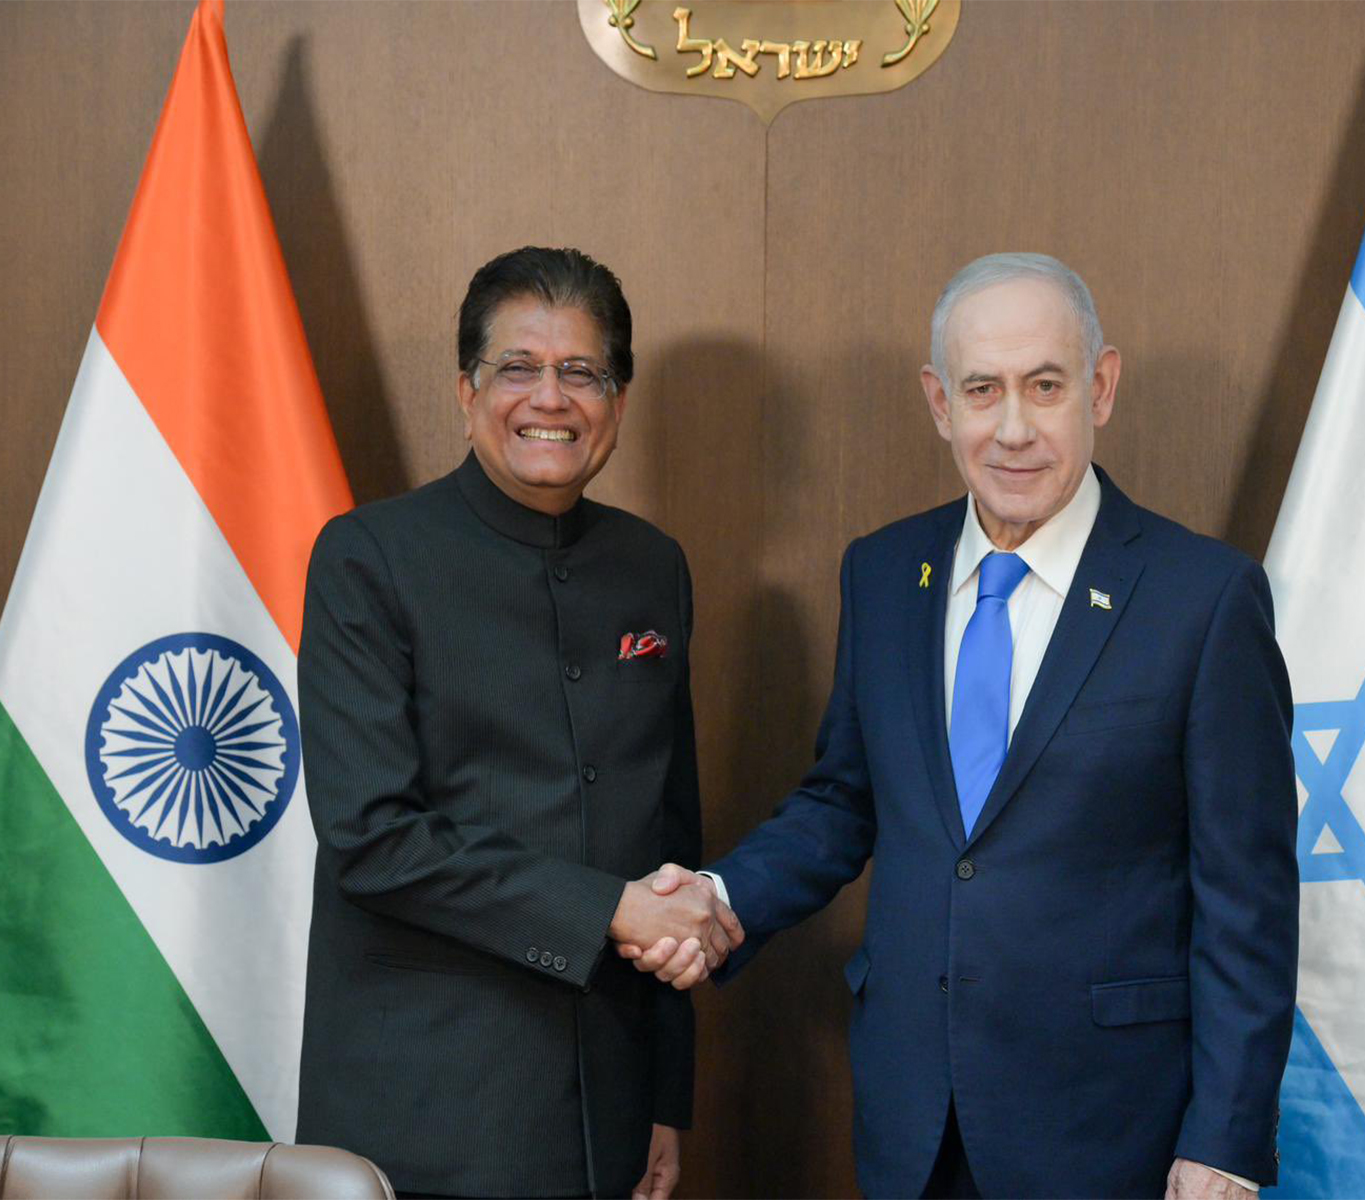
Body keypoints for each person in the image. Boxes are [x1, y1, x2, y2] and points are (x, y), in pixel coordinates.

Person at [626, 253, 1299, 1198]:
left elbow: (1248, 901)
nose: (1014, 428)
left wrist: (1226, 1138)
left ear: (1100, 388)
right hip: (913, 1123)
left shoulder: (1205, 599)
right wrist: (718, 896)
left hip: (1112, 1131)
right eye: (983, 390)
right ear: (940, 403)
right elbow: (843, 800)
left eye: (1046, 386)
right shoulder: (885, 571)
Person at [295, 246, 741, 1200]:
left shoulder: (652, 566)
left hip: (609, 1110)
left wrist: (666, 1095)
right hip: (425, 1115)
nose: (552, 398)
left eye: (582, 372)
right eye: (518, 369)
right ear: (466, 391)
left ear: (617, 401)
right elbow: (373, 839)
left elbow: (671, 833)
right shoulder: (369, 559)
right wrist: (608, 910)